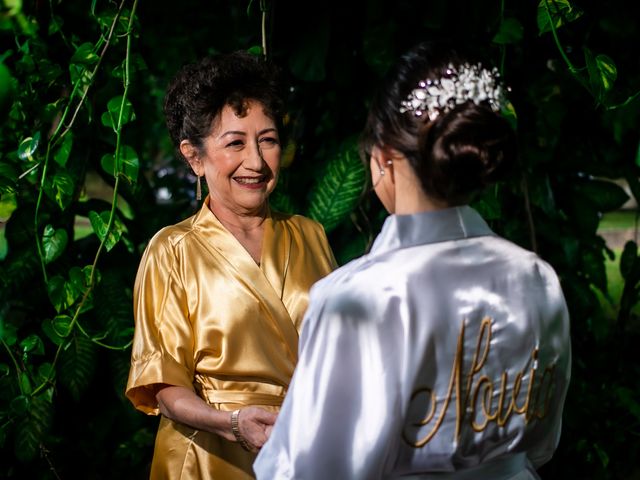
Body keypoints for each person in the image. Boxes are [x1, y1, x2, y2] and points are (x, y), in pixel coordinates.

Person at [254, 41, 571, 479]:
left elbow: (314, 470)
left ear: (383, 158)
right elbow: (541, 441)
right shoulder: (536, 278)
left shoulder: (356, 299)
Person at [125, 50, 337, 479]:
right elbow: (165, 388)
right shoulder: (173, 250)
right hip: (210, 455)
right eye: (235, 143)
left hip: (303, 452)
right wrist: (233, 423)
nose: (256, 162)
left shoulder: (310, 234)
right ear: (195, 157)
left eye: (269, 140)